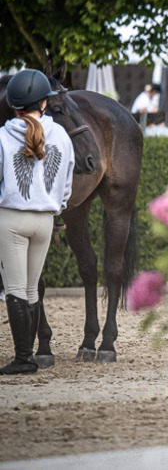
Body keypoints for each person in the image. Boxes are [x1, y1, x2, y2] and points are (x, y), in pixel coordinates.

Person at [0, 69, 75, 374]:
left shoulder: (4, 136)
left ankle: (23, 359)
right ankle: (28, 354)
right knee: (31, 290)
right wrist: (57, 206)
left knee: (15, 290)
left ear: (13, 104)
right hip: (45, 221)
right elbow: (67, 182)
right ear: (44, 103)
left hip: (11, 220)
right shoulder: (61, 136)